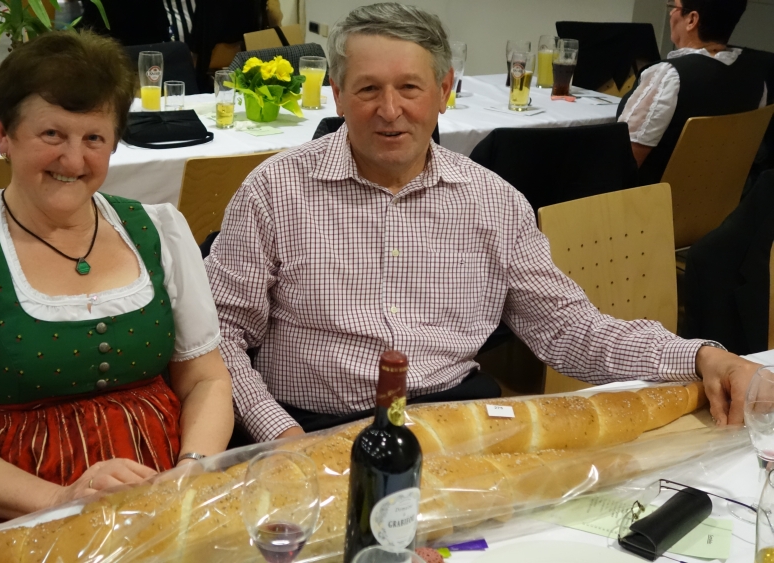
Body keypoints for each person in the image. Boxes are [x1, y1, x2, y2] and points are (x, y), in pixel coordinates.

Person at [204, 2, 759, 445]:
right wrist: (280, 435)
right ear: (338, 96)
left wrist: (700, 356)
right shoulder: (274, 191)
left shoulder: (494, 202)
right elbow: (220, 336)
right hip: (313, 424)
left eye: (410, 87)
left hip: (454, 422)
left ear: (444, 92)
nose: (390, 110)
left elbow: (569, 329)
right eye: (368, 89)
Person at [0, 30, 233, 533]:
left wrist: (191, 469)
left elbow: (206, 379)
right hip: (23, 502)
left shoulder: (158, 230)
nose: (74, 161)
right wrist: (62, 499)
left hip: (162, 485)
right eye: (52, 135)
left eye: (94, 138)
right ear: (4, 135)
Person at [618, 0, 768, 185]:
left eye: (674, 7)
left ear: (692, 20)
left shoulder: (668, 75)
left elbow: (622, 162)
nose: (671, 13)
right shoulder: (757, 79)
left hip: (655, 199)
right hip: (721, 198)